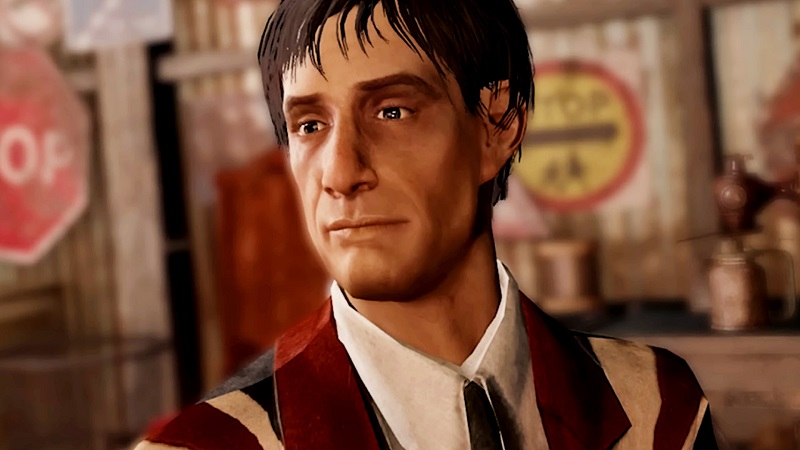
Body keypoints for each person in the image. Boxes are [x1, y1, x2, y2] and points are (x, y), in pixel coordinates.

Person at [136, 0, 718, 449]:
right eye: (310, 125)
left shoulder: (654, 405)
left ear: (497, 127)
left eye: (392, 111)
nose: (340, 173)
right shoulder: (207, 443)